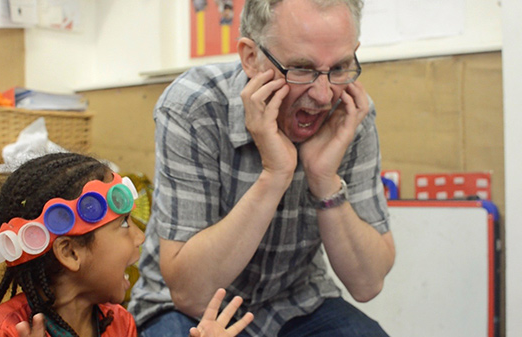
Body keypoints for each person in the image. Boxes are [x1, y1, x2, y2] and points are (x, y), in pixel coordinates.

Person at [128, 0, 396, 335]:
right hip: (189, 311)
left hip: (295, 300)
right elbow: (191, 294)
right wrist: (274, 175)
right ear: (251, 58)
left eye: (340, 66)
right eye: (301, 68)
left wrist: (324, 180)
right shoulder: (193, 107)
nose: (324, 94)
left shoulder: (350, 113)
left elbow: (368, 284)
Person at [0, 152, 253, 337]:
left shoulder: (118, 322)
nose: (140, 238)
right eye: (125, 224)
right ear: (70, 252)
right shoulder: (3, 332)